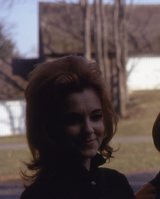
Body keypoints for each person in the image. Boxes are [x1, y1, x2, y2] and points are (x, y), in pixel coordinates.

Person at [20, 55, 135, 199]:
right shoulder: (39, 195)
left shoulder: (116, 184)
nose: (88, 129)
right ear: (49, 127)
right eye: (73, 120)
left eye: (96, 116)